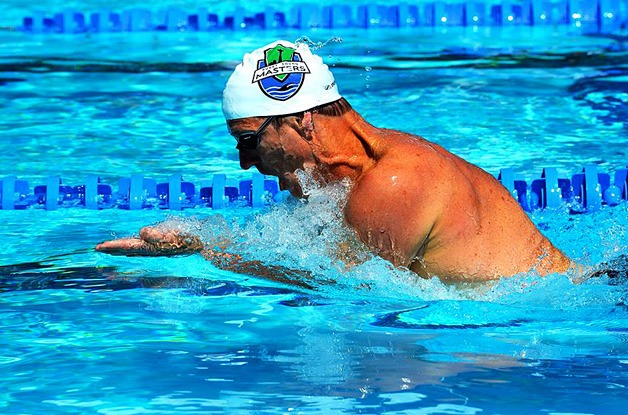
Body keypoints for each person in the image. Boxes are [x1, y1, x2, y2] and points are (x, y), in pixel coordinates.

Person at [96, 39, 577, 284]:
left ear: (301, 120)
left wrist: (205, 251)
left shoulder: (392, 182)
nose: (245, 163)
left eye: (249, 141)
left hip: (563, 328)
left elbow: (338, 283)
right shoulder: (355, 174)